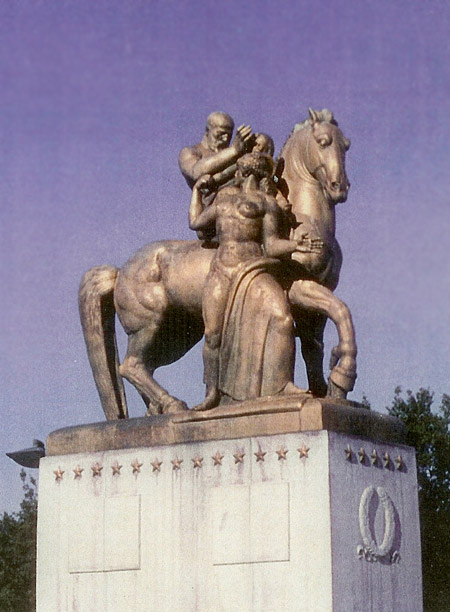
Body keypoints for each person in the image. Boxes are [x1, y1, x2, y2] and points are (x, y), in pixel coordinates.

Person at [189, 152, 323, 410]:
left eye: (238, 171)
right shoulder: (223, 201)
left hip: (253, 270)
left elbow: (271, 246)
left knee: (282, 317)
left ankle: (282, 384)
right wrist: (197, 191)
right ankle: (212, 393)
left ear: (243, 173)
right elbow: (195, 223)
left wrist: (296, 244)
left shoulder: (266, 204)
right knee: (212, 333)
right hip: (221, 271)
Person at [179, 111, 253, 191]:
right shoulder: (189, 152)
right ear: (208, 130)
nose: (225, 139)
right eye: (221, 133)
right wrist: (233, 150)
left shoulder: (233, 154)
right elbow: (195, 172)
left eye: (229, 136)